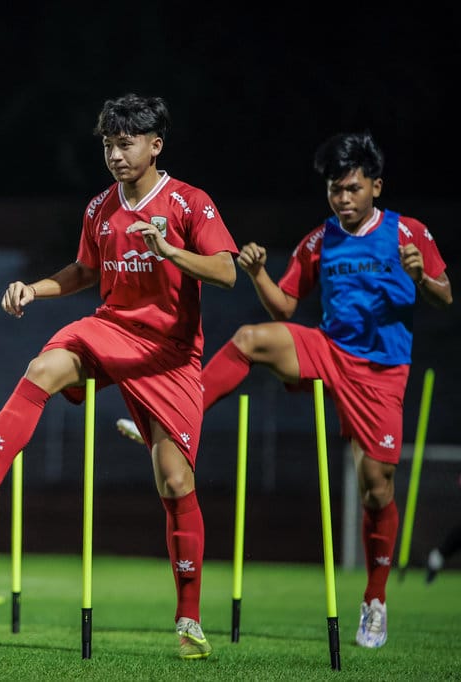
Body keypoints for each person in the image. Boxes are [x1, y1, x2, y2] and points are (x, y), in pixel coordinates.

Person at [0, 94, 238, 660]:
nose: (116, 155)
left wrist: (170, 250)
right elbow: (84, 271)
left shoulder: (191, 202)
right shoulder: (100, 207)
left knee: (175, 483)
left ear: (154, 145)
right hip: (111, 328)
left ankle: (189, 618)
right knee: (42, 367)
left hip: (170, 356)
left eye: (125, 144)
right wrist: (36, 289)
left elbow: (225, 271)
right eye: (107, 145)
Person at [119, 131, 452, 647]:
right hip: (330, 351)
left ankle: (375, 601)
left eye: (352, 188)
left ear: (375, 187)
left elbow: (444, 297)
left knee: (375, 487)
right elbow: (286, 309)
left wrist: (421, 278)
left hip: (383, 373)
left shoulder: (410, 233)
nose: (342, 198)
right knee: (252, 338)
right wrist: (257, 275)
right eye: (334, 190)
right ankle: (181, 418)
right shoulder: (321, 240)